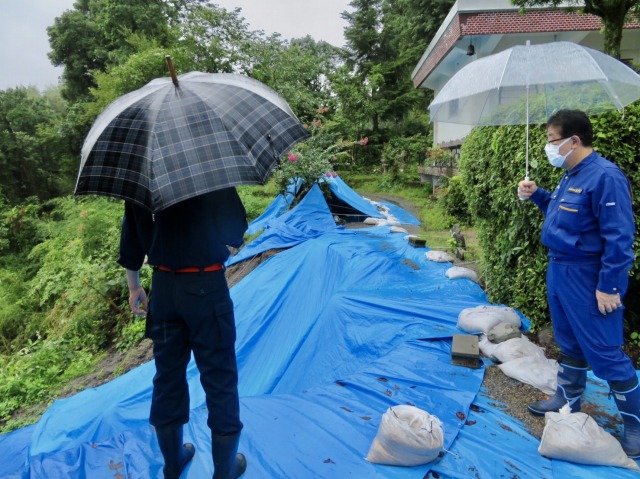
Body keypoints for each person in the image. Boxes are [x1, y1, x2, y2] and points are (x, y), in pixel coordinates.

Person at [517, 109, 638, 457]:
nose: (548, 147)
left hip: (588, 276)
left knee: (605, 351)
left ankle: (636, 426)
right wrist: (538, 195)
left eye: (552, 140)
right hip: (560, 269)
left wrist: (609, 286)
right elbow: (566, 218)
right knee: (568, 339)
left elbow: (619, 237)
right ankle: (567, 398)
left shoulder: (605, 177)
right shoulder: (571, 174)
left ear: (574, 140)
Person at [118, 188, 248, 479]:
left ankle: (173, 463)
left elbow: (131, 242)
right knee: (220, 379)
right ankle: (224, 471)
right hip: (207, 286)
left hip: (164, 289)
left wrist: (134, 287)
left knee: (167, 377)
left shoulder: (140, 180)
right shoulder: (209, 172)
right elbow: (235, 232)